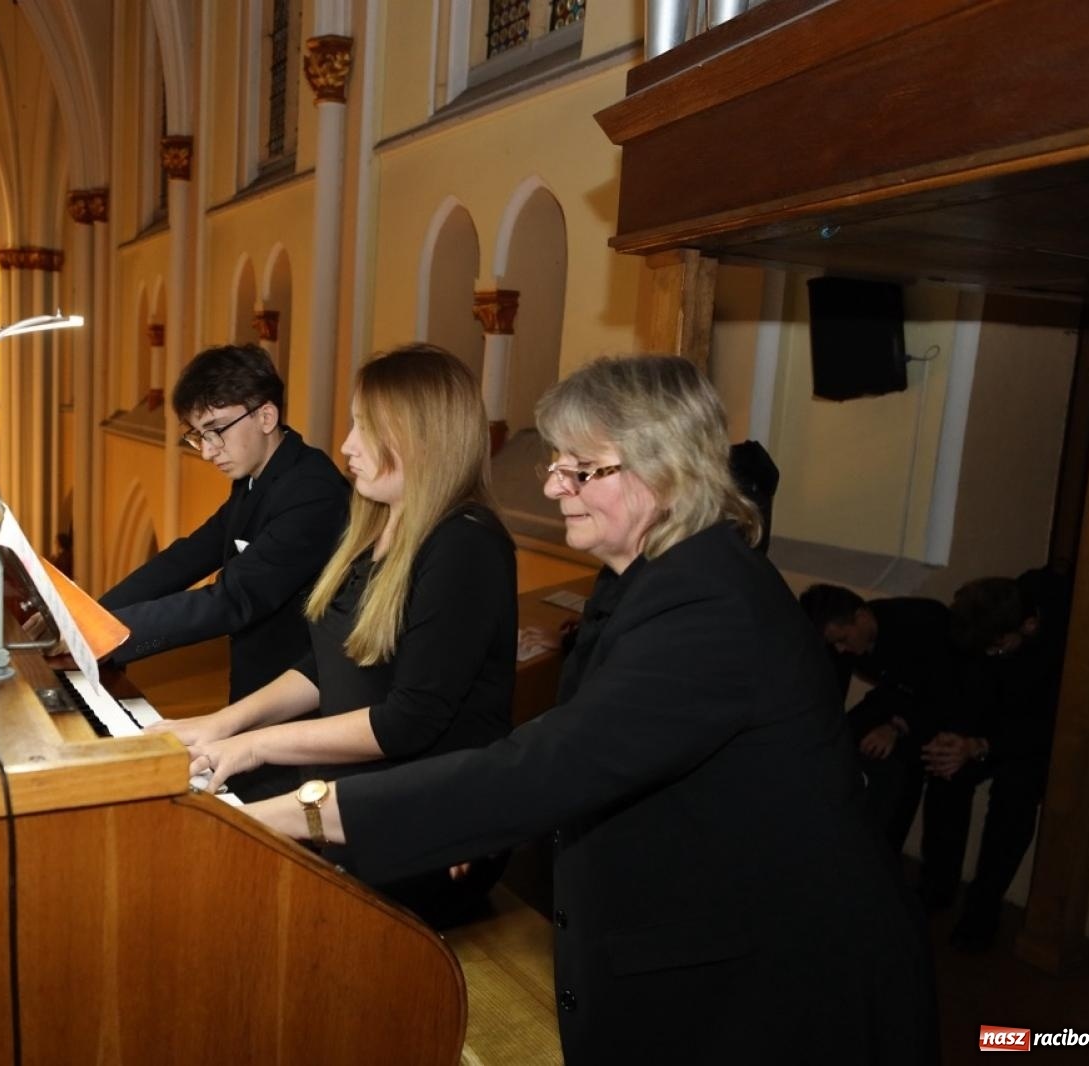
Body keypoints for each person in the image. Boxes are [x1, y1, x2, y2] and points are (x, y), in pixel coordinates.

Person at [242, 355, 933, 1065]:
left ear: (663, 470)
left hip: (784, 990)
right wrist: (483, 817)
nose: (551, 485)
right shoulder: (648, 579)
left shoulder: (710, 606)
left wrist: (299, 814)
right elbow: (587, 735)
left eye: (581, 469)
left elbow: (551, 765)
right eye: (555, 462)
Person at [153, 344, 517, 927]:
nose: (347, 444)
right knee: (183, 863)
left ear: (421, 437)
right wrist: (221, 725)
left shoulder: (465, 545)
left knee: (211, 883)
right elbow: (323, 665)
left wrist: (255, 745)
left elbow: (407, 721)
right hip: (340, 799)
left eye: (366, 427)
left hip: (422, 824)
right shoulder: (372, 525)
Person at [99, 344, 350, 703]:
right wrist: (96, 616)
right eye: (199, 434)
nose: (207, 450)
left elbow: (233, 600)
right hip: (257, 686)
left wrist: (114, 636)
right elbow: (188, 556)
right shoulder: (257, 478)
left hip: (299, 699)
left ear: (265, 417)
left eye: (216, 430)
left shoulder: (313, 492)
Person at [920, 569, 1067, 952]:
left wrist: (982, 744)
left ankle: (982, 911)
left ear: (1030, 626)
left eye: (998, 648)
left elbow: (1048, 724)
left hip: (1034, 738)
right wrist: (957, 738)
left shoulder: (1061, 643)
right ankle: (936, 888)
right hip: (990, 723)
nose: (990, 655)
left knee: (1014, 799)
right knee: (945, 771)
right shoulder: (990, 628)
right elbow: (972, 682)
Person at [799, 583, 956, 852]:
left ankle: (884, 853)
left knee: (901, 766)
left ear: (861, 617)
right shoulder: (846, 643)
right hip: (894, 695)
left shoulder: (921, 625)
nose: (839, 649)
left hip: (942, 705)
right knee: (841, 739)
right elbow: (832, 691)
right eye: (832, 643)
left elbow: (940, 692)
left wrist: (896, 727)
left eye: (842, 640)